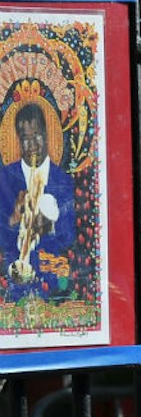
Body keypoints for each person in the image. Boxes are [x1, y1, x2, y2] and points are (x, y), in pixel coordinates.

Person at [1, 101, 77, 302]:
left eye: (37, 135)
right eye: (25, 138)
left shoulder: (63, 181)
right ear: (18, 140)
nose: (33, 144)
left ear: (47, 134)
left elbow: (69, 236)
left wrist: (48, 226)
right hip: (14, 284)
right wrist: (14, 221)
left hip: (54, 281)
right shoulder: (5, 179)